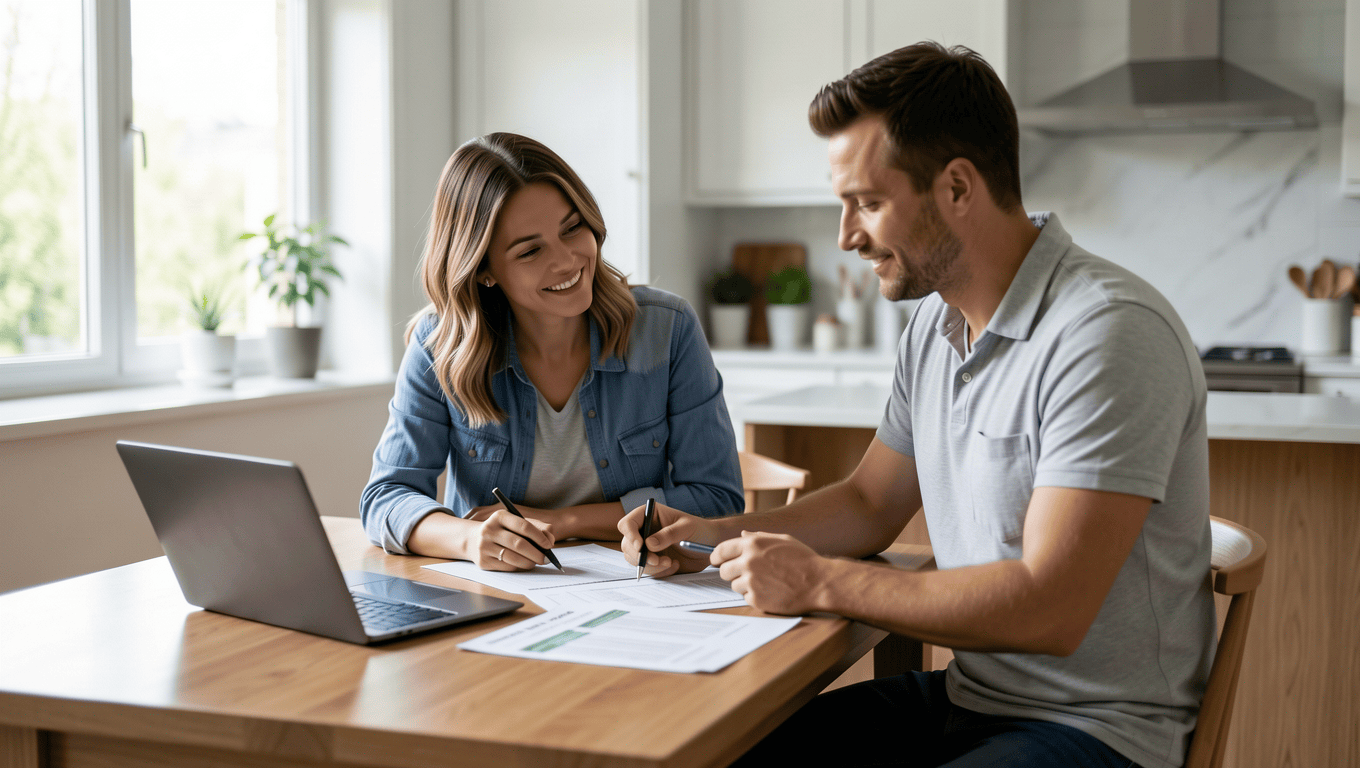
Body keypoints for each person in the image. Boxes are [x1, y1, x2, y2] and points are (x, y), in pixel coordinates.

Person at [620, 43, 1215, 768]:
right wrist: (714, 536)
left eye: (867, 203)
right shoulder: (935, 330)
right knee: (720, 750)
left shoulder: (1107, 334)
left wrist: (821, 580)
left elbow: (1051, 607)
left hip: (1099, 730)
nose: (846, 237)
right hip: (974, 697)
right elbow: (872, 501)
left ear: (957, 188)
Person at [362, 132, 743, 571]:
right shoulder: (440, 346)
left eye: (572, 228)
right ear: (484, 269)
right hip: (494, 596)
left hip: (640, 591)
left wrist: (563, 522)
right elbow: (385, 498)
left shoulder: (667, 329)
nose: (567, 261)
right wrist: (468, 539)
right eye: (530, 251)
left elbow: (719, 501)